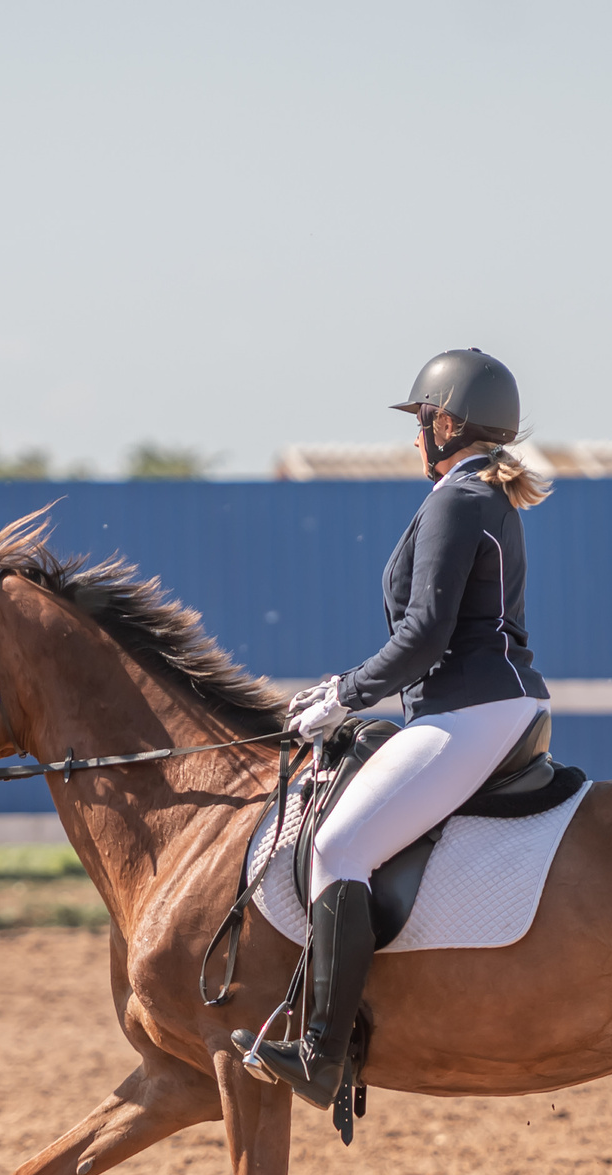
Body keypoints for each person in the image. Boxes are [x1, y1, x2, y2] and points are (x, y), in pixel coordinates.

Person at [237, 349, 552, 1105]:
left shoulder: (457, 498)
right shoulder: (482, 491)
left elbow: (423, 636)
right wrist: (347, 692)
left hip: (472, 710)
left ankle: (322, 1052)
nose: (416, 437)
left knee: (339, 846)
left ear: (445, 422)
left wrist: (345, 695)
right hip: (487, 704)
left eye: (420, 422)